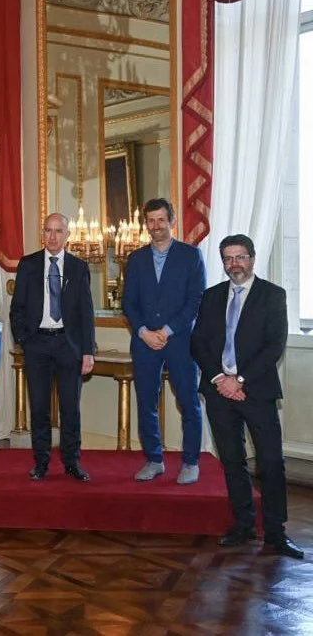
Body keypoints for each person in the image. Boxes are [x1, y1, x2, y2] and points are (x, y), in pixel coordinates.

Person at [190, 235, 303, 559]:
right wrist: (219, 379)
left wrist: (238, 379)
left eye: (240, 257)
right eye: (228, 258)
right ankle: (243, 525)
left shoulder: (272, 295)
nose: (234, 264)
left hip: (257, 391)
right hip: (217, 392)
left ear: (252, 259)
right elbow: (198, 343)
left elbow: (274, 345)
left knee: (270, 462)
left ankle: (276, 533)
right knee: (232, 461)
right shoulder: (211, 297)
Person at [122, 198, 206, 484]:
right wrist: (143, 331)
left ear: (172, 221)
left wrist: (167, 331)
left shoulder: (191, 256)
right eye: (151, 221)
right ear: (146, 224)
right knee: (146, 401)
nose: (156, 226)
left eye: (161, 220)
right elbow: (128, 303)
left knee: (188, 401)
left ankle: (191, 461)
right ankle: (154, 459)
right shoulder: (136, 259)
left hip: (180, 341)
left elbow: (195, 301)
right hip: (144, 341)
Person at [10, 213, 95, 482]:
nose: (53, 236)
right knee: (39, 408)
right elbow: (17, 309)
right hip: (38, 345)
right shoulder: (29, 264)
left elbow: (86, 313)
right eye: (48, 230)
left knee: (71, 408)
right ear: (42, 233)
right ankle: (41, 463)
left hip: (68, 345)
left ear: (67, 235)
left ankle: (72, 462)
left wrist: (87, 351)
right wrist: (25, 341)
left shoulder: (79, 267)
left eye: (59, 231)